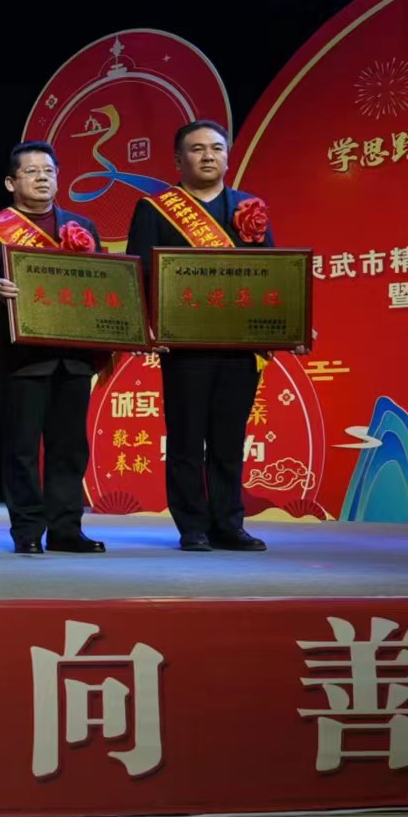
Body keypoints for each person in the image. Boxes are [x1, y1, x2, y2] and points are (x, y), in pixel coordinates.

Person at [126, 119, 295, 553]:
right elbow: (138, 273)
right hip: (183, 345)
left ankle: (229, 524)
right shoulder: (156, 209)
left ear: (227, 156)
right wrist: (148, 327)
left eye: (216, 148)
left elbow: (271, 273)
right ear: (178, 159)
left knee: (229, 438)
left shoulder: (248, 208)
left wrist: (288, 321)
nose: (208, 156)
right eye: (197, 149)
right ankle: (192, 526)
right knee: (186, 438)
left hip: (239, 345)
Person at [0, 141, 106, 555]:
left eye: (49, 171)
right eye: (31, 171)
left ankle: (66, 528)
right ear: (11, 183)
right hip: (22, 359)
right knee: (22, 448)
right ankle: (27, 529)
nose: (42, 177)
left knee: (70, 448)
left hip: (74, 357)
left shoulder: (81, 227)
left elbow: (104, 284)